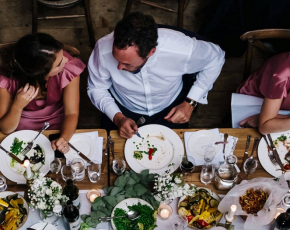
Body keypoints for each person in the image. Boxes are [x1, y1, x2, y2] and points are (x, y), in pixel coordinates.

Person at [88, 12, 225, 139]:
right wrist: (118, 118)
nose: (119, 67)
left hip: (170, 109)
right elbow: (96, 88)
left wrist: (191, 102)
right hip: (121, 109)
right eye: (116, 59)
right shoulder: (102, 49)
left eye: (127, 64)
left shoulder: (180, 49)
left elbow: (216, 57)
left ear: (151, 52)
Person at [0, 33, 85, 153]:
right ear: (41, 73)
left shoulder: (68, 67)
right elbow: (5, 128)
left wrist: (64, 138)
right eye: (58, 64)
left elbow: (71, 113)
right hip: (20, 124)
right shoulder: (6, 79)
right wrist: (17, 105)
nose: (66, 60)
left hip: (59, 120)